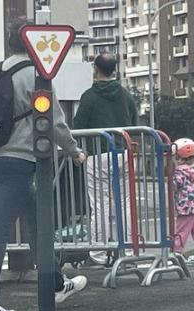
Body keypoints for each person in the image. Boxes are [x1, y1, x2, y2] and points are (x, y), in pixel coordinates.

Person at [0, 19, 88, 311]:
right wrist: (74, 150)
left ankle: (54, 284)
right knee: (0, 229)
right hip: (21, 159)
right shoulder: (34, 75)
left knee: (36, 224)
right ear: (33, 43)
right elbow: (54, 121)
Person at [73, 52, 138, 265]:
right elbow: (135, 123)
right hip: (123, 153)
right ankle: (129, 251)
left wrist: (77, 152)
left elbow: (78, 127)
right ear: (115, 70)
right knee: (126, 203)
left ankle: (99, 254)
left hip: (98, 154)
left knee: (100, 205)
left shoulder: (89, 96)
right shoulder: (126, 95)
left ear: (96, 69)